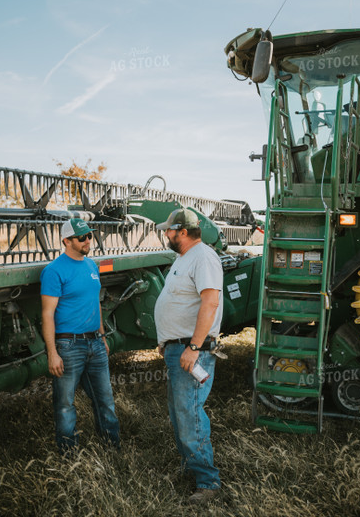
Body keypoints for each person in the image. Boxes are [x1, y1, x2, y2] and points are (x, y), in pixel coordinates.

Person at [154, 208, 223, 504]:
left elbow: (210, 303)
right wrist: (167, 340)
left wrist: (193, 347)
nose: (166, 234)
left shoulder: (203, 257)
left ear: (182, 232)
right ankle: (191, 470)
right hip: (177, 348)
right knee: (180, 414)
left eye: (169, 230)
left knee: (190, 414)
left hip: (191, 350)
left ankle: (208, 484)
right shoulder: (184, 258)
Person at [40, 218, 120, 454]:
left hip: (95, 342)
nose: (88, 241)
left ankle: (111, 448)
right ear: (66, 241)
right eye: (82, 237)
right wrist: (52, 352)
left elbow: (96, 303)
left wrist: (103, 337)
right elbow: (47, 314)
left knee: (105, 400)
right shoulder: (53, 271)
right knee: (65, 405)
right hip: (68, 345)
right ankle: (69, 455)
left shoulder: (92, 266)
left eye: (89, 236)